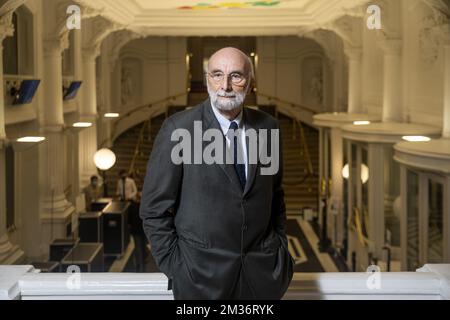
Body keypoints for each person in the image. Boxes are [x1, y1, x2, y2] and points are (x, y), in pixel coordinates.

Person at [140, 47, 294, 300]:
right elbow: (153, 210)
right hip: (199, 280)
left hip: (262, 278)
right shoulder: (178, 128)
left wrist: (279, 251)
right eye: (217, 74)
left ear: (251, 82)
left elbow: (275, 197)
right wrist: (177, 268)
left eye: (236, 76)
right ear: (207, 79)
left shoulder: (269, 127)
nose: (226, 86)